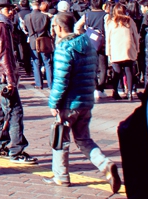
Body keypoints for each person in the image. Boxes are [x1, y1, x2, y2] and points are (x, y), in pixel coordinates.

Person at [46, 12, 122, 191]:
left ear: (58, 27)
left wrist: (53, 102)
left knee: (61, 139)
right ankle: (105, 164)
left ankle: (61, 176)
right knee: (83, 139)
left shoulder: (64, 48)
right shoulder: (88, 44)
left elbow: (60, 80)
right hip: (85, 100)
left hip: (68, 103)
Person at [0, 0, 36, 163]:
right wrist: (10, 79)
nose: (11, 12)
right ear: (0, 10)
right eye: (8, 9)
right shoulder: (1, 26)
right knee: (15, 112)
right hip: (2, 75)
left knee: (1, 112)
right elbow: (4, 54)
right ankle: (17, 149)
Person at [75, 0, 109, 100]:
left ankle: (94, 88)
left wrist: (84, 34)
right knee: (103, 67)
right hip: (103, 43)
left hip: (90, 44)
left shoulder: (87, 15)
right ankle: (101, 89)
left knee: (92, 66)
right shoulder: (106, 15)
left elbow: (77, 27)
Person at [105, 1, 140, 100]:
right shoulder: (130, 21)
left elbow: (108, 38)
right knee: (129, 70)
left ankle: (115, 91)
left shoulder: (111, 22)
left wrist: (108, 52)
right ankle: (130, 92)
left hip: (116, 49)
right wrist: (137, 49)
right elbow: (135, 36)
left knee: (117, 71)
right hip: (128, 48)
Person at [25, 0, 55, 90]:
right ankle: (50, 84)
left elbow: (26, 29)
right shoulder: (45, 16)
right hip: (44, 41)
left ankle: (39, 84)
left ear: (31, 5)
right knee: (47, 62)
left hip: (33, 41)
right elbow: (49, 30)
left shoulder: (28, 17)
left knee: (36, 63)